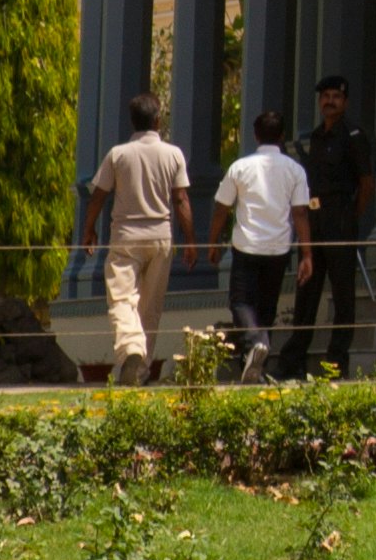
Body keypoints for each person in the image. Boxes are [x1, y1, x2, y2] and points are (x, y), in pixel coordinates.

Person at [84, 97, 189, 385]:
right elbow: (181, 199)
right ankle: (140, 368)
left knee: (121, 299)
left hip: (126, 238)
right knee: (150, 307)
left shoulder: (118, 154)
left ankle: (132, 351)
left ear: (133, 122)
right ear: (157, 120)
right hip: (160, 237)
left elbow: (98, 196)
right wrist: (191, 241)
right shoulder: (173, 154)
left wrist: (88, 229)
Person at [209, 114, 311, 377]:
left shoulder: (240, 167)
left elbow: (222, 207)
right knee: (267, 308)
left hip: (246, 247)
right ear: (281, 136)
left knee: (241, 302)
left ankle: (256, 344)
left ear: (255, 136)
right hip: (278, 249)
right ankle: (255, 366)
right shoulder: (295, 170)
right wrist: (307, 255)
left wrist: (212, 242)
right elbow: (300, 213)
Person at [292, 73, 376, 376]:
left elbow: (367, 184)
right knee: (307, 289)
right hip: (314, 218)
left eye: (336, 97)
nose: (330, 101)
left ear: (345, 101)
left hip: (340, 218)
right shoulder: (315, 137)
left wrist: (351, 216)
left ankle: (336, 360)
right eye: (325, 96)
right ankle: (295, 358)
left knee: (342, 293)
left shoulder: (354, 136)